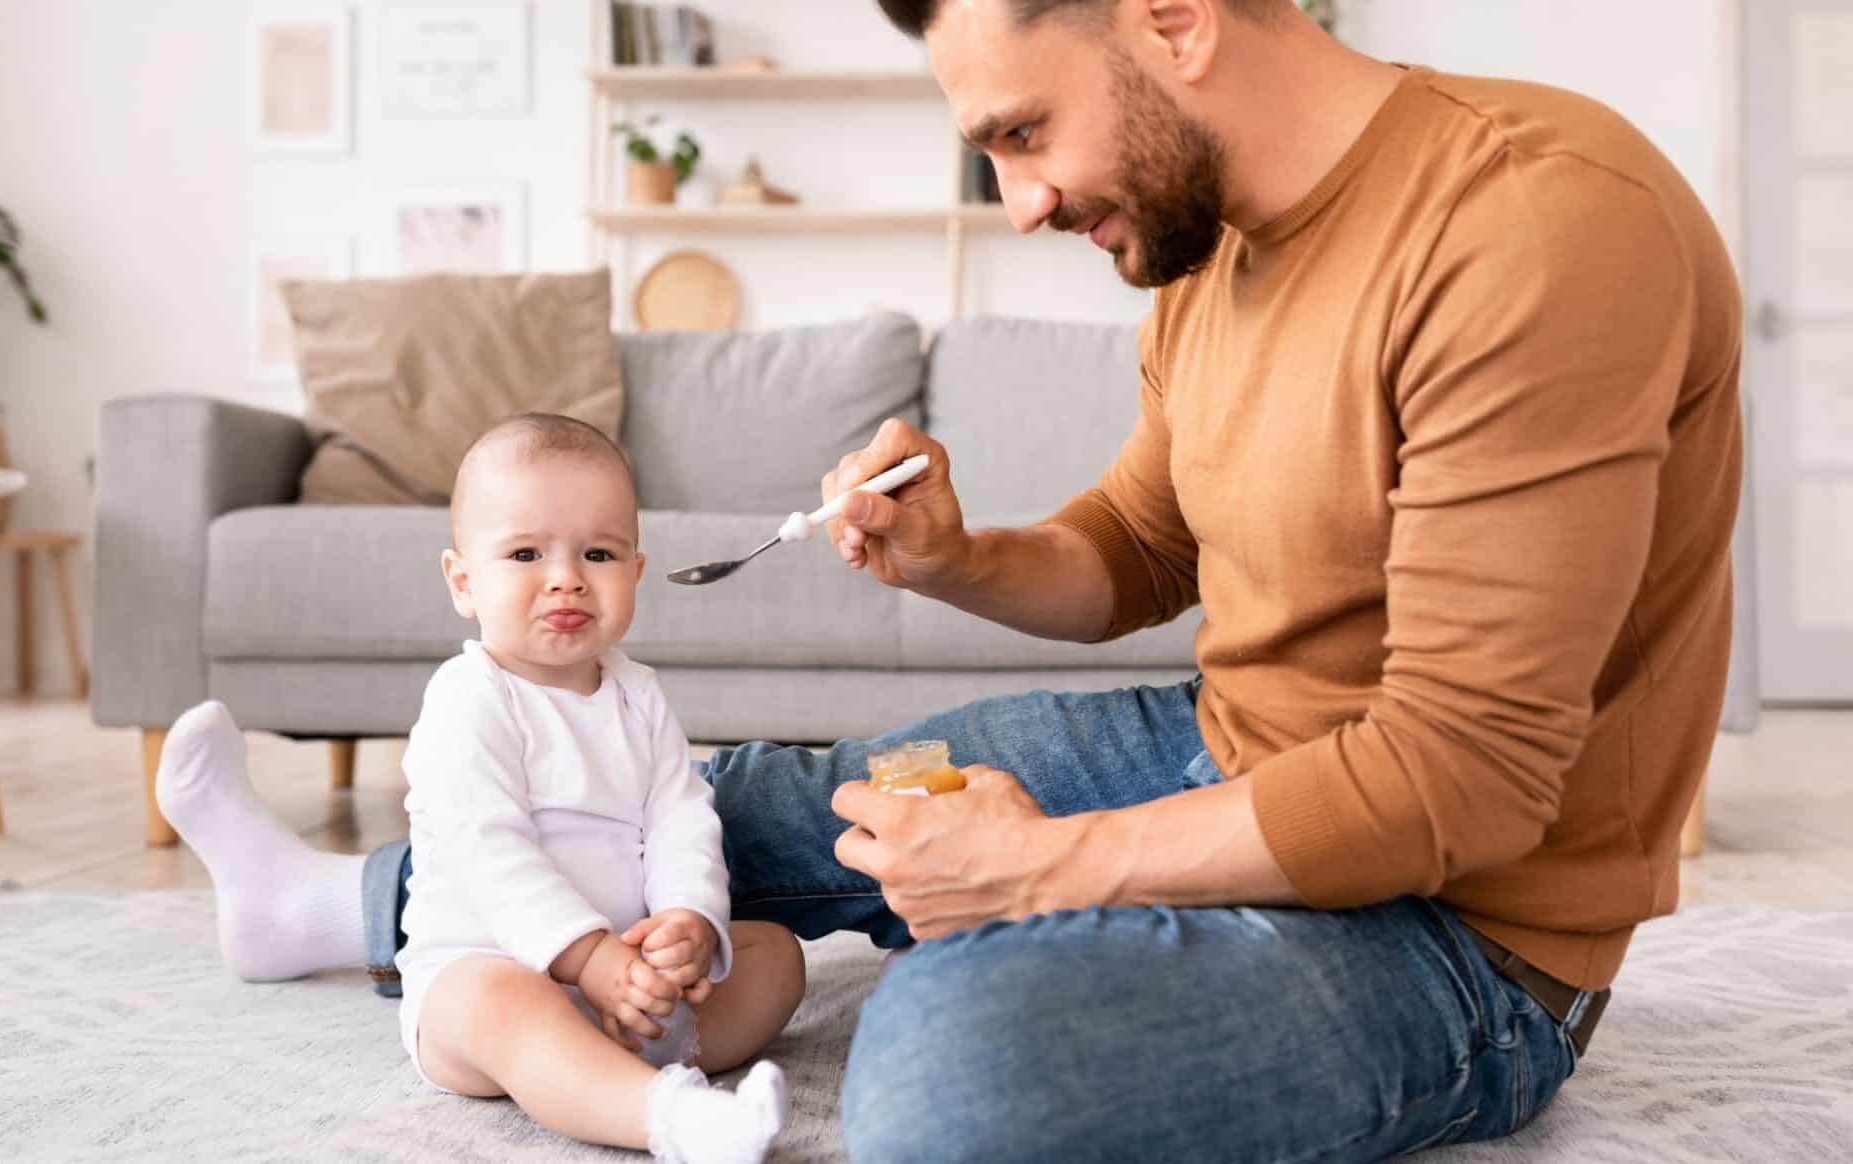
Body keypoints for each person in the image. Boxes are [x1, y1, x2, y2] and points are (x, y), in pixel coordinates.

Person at [160, 1, 1743, 1160]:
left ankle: (1003, 959)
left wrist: (1050, 871)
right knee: (744, 810)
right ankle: (330, 907)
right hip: (1233, 750)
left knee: (955, 1069)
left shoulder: (1536, 225)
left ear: (1171, 19)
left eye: (1022, 132)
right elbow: (1139, 549)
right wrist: (959, 557)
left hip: (1463, 931)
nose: (1023, 202)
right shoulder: (1215, 256)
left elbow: (1463, 774)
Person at [160, 415, 804, 1164]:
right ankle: (672, 1119)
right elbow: (490, 850)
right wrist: (588, 959)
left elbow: (679, 814)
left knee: (774, 957)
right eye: (526, 553)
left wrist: (687, 921)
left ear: (633, 571)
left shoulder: (639, 694)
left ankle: (605, 1059)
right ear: (464, 581)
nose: (565, 576)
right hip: (496, 968)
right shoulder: (470, 697)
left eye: (598, 553)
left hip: (623, 977)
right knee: (496, 1000)